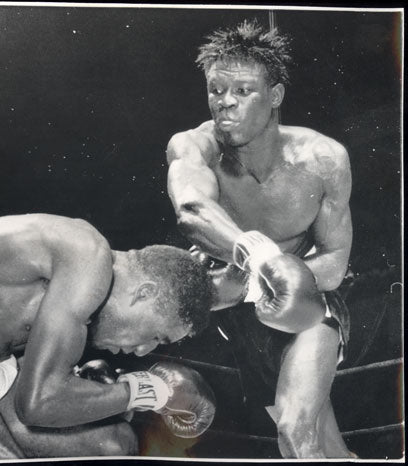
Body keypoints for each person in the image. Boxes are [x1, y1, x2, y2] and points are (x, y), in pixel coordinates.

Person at [0, 214, 219, 459]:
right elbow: (39, 403)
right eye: (157, 335)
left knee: (113, 443)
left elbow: (40, 400)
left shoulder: (77, 299)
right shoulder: (87, 255)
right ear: (144, 293)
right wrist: (141, 389)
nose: (143, 351)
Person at [166, 20, 353, 458]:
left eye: (243, 91)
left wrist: (258, 278)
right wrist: (259, 260)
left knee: (292, 431)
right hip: (242, 324)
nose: (225, 103)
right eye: (215, 90)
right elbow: (191, 211)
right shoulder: (193, 147)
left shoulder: (322, 159)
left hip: (311, 303)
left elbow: (336, 259)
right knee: (325, 446)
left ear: (275, 96)